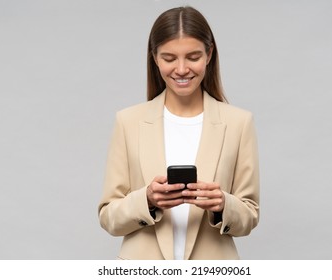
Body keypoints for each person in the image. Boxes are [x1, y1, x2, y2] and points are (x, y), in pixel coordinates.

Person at [98, 6, 260, 260]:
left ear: (209, 54)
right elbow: (108, 217)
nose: (182, 69)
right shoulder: (128, 121)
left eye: (193, 57)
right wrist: (147, 199)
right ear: (154, 57)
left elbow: (249, 216)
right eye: (169, 58)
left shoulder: (238, 122)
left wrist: (223, 205)